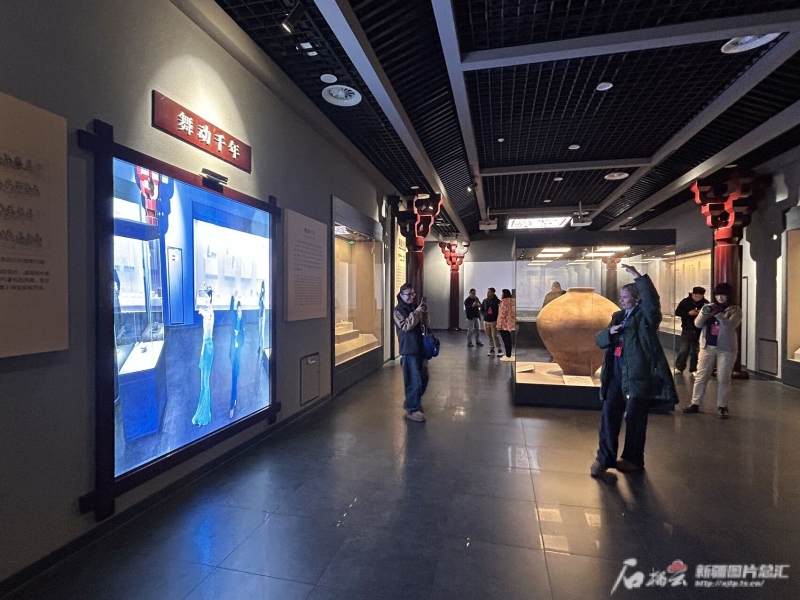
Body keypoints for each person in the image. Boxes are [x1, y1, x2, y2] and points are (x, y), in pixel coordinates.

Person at [590, 265, 678, 483]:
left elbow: (652, 301)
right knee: (609, 414)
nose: (621, 300)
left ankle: (633, 459)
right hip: (616, 373)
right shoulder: (618, 317)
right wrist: (609, 333)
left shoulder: (645, 317)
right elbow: (599, 340)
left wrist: (639, 278)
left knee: (635, 419)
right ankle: (604, 458)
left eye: (625, 296)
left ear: (637, 298)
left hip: (638, 375)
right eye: (621, 296)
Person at [682, 282, 743, 419]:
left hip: (726, 349)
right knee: (701, 376)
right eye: (717, 295)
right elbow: (697, 324)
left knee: (723, 378)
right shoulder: (708, 306)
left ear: (729, 296)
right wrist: (704, 313)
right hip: (707, 346)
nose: (720, 298)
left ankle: (722, 406)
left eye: (723, 295)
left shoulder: (735, 310)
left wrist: (719, 315)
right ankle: (695, 403)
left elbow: (730, 327)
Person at [393, 283, 430, 422]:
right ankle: (412, 409)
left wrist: (424, 312)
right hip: (409, 349)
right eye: (408, 294)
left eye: (413, 294)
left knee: (424, 378)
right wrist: (416, 313)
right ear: (401, 295)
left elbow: (426, 324)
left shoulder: (414, 307)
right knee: (413, 380)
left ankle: (411, 400)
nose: (411, 297)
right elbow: (405, 326)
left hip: (420, 347)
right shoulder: (398, 310)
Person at [192, 285, 215, 426]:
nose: (205, 299)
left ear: (210, 298)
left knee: (205, 384)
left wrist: (204, 310)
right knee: (203, 383)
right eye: (205, 297)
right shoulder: (208, 311)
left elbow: (206, 313)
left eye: (207, 297)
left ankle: (203, 415)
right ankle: (202, 413)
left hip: (208, 347)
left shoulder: (209, 313)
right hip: (206, 346)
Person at [674, 286, 709, 375]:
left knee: (697, 350)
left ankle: (694, 369)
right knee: (684, 349)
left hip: (699, 330)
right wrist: (688, 313)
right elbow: (677, 312)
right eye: (695, 296)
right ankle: (679, 367)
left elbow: (709, 315)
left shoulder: (705, 304)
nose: (697, 298)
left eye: (699, 297)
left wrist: (701, 314)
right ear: (692, 294)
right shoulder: (685, 302)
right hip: (687, 328)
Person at [229, 292, 245, 419]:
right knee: (234, 377)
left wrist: (237, 334)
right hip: (233, 353)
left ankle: (232, 404)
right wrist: (233, 298)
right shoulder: (234, 318)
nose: (239, 313)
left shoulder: (243, 322)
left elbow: (243, 340)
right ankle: (233, 401)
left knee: (235, 377)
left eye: (240, 311)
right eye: (238, 311)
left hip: (238, 353)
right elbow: (230, 310)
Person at [481, 287, 502, 357]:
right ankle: (491, 349)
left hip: (494, 321)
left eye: (489, 292)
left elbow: (500, 310)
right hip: (486, 321)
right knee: (489, 336)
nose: (488, 293)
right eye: (487, 292)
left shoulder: (497, 301)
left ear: (493, 292)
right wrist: (485, 314)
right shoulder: (485, 301)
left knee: (494, 336)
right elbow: (482, 310)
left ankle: (499, 349)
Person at [497, 289, 516, 362]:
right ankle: (509, 354)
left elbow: (502, 314)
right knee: (509, 340)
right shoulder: (513, 302)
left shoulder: (504, 302)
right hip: (511, 324)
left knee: (506, 340)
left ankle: (508, 355)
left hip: (504, 324)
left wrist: (499, 324)